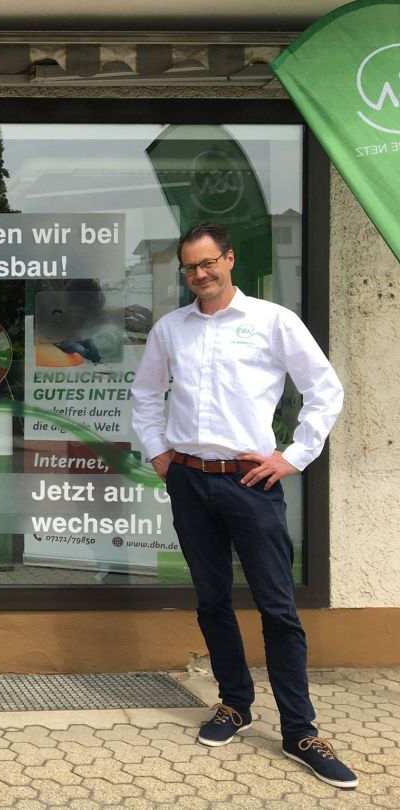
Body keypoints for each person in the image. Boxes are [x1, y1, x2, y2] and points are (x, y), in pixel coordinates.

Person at [130, 222, 355, 789]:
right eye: (189, 267)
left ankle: (300, 731)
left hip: (251, 482)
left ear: (229, 260)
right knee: (211, 600)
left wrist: (294, 456)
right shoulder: (171, 329)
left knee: (278, 607)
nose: (199, 275)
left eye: (208, 263)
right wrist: (160, 453)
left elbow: (324, 389)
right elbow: (144, 394)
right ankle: (234, 703)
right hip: (190, 481)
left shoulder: (272, 322)